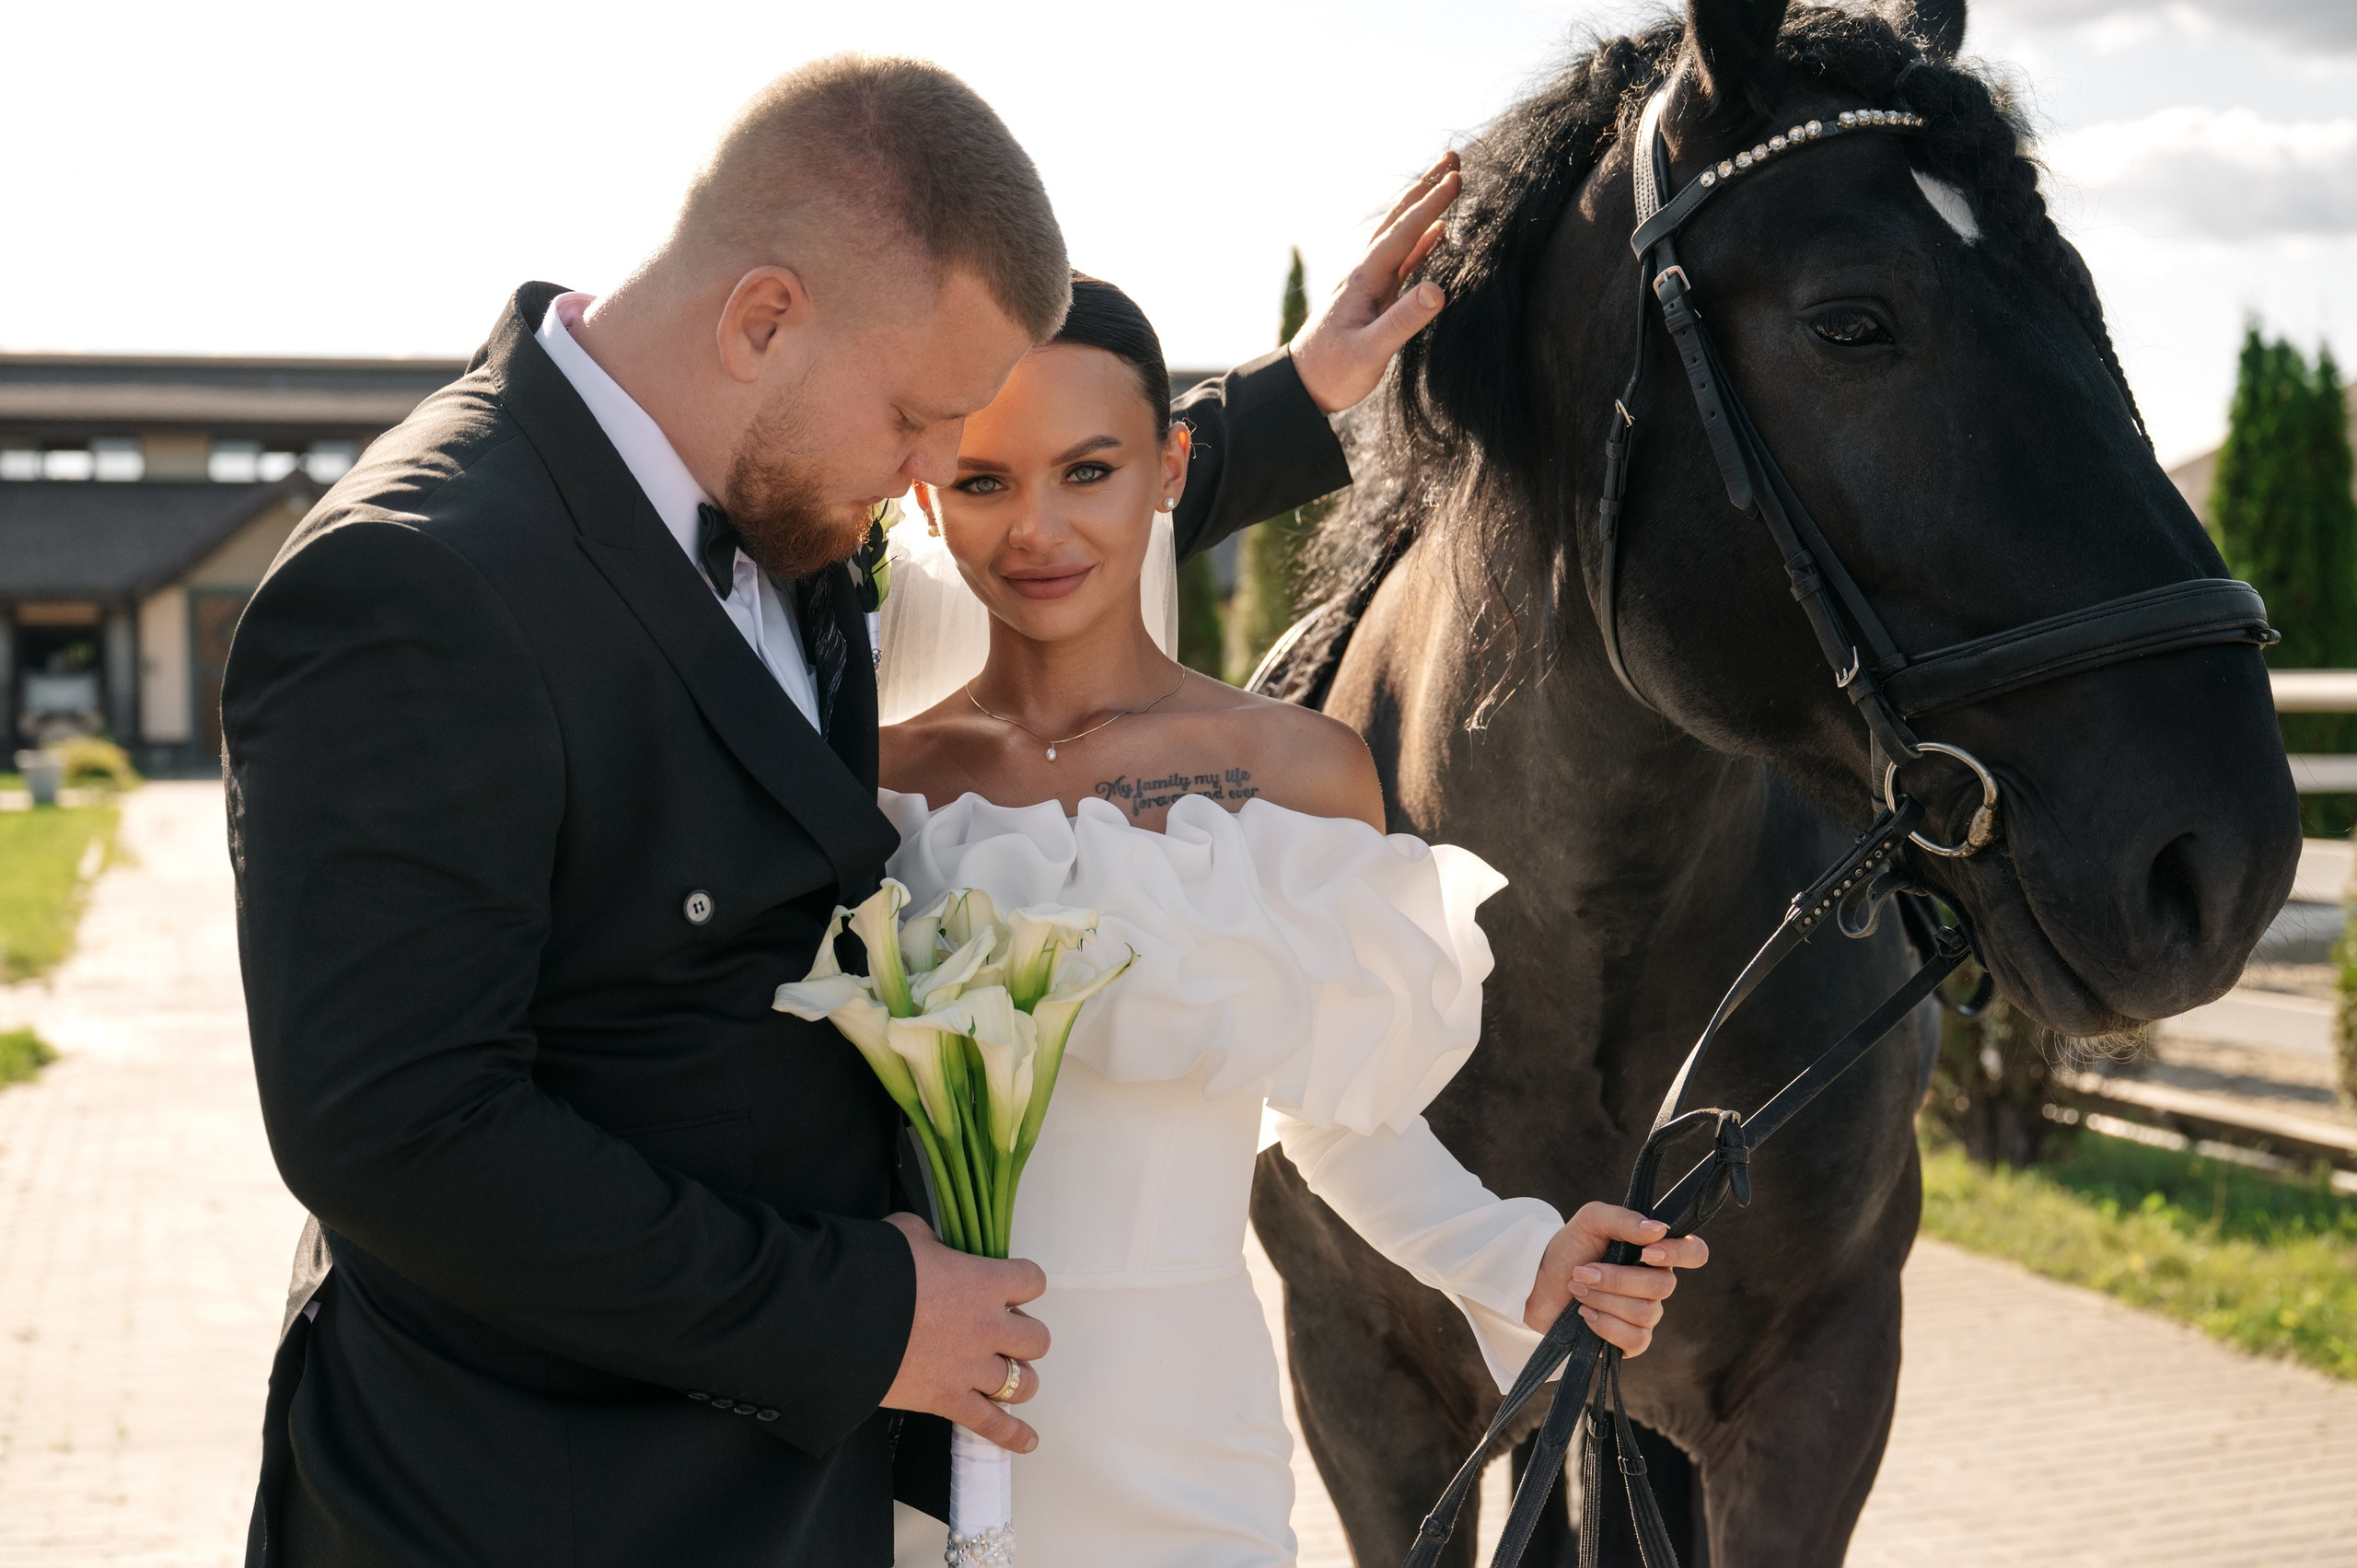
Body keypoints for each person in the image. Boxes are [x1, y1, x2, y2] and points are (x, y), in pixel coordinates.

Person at [226, 54, 1469, 1568]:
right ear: (764, 320)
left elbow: (1056, 550)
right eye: (922, 423)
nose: (937, 481)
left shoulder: (785, 508)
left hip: (797, 1501)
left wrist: (1300, 397)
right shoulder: (415, 586)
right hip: (532, 1504)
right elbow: (397, 1132)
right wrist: (865, 1317)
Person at [876, 275, 1709, 1568]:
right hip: (916, 1429)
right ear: (926, 489)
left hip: (1184, 1439)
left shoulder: (1299, 769)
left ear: (1170, 469)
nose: (1036, 527)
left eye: (1087, 470)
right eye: (984, 482)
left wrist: (1519, 1257)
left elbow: (1339, 1123)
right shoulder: (877, 786)